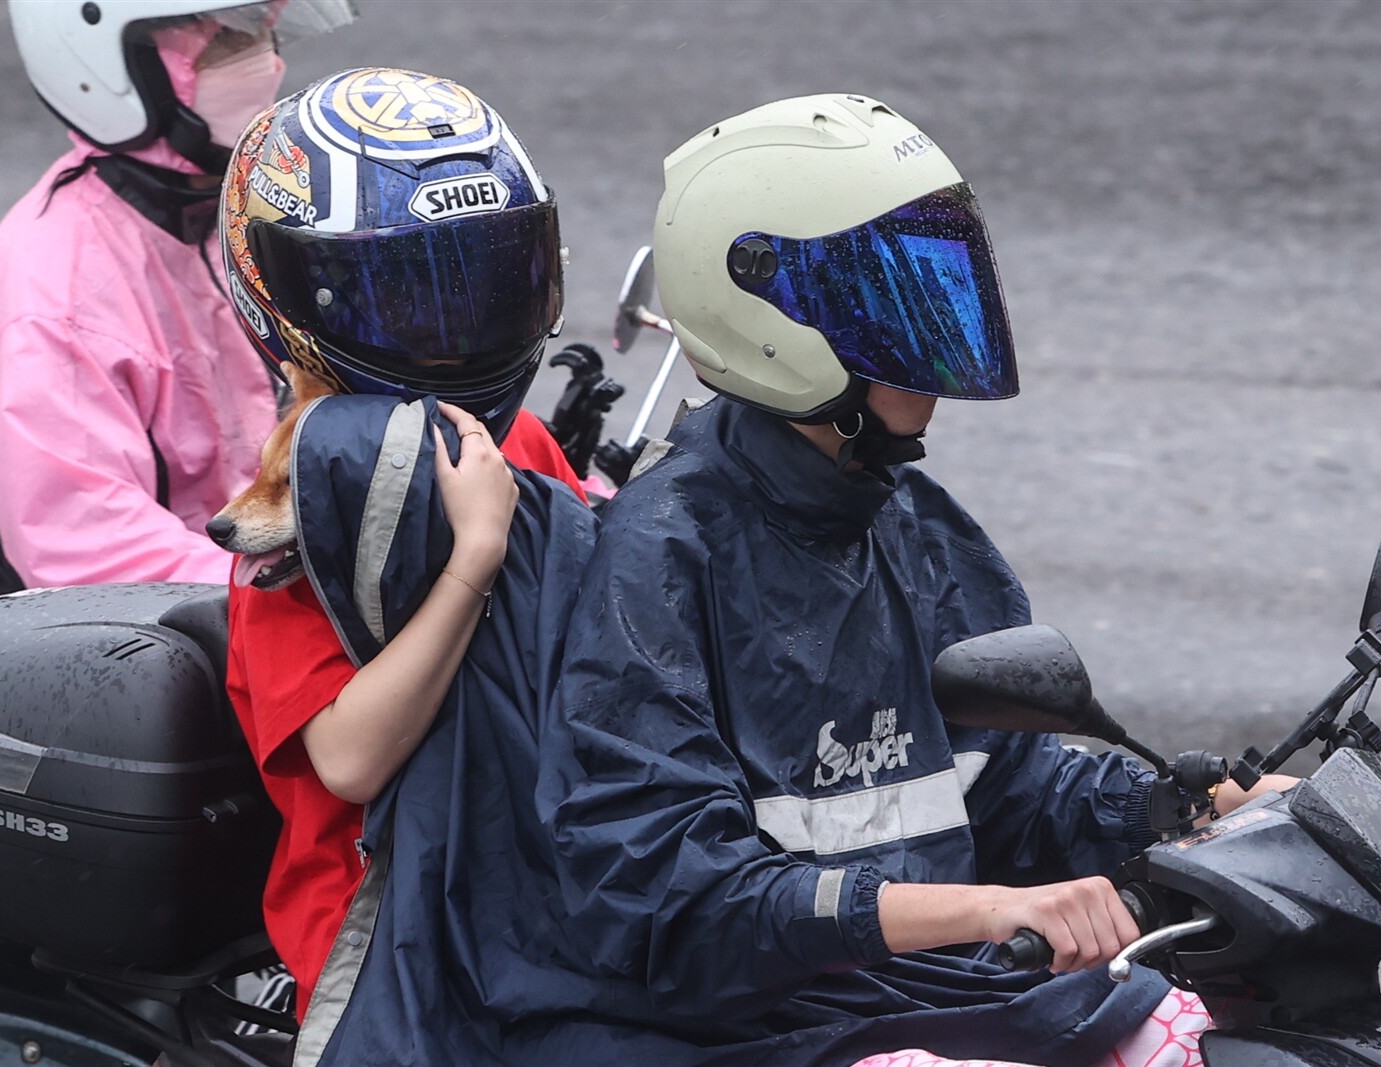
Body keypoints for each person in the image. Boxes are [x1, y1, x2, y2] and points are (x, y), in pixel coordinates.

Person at [525, 95, 1298, 1067]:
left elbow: (1007, 795)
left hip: (932, 995)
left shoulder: (911, 524)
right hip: (763, 1029)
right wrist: (978, 907)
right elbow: (670, 897)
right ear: (767, 317)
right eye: (887, 302)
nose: (932, 324)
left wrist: (1209, 805)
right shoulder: (660, 558)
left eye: (937, 284)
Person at [214, 68, 593, 1024]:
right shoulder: (301, 508)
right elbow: (348, 759)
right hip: (383, 925)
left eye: (477, 285)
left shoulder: (512, 443)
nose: (450, 336)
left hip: (530, 873)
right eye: (404, 302)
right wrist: (475, 560)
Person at [0, 0, 356, 614]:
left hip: (221, 577)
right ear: (114, 69)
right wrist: (325, 591)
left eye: (264, 34)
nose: (267, 64)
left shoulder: (215, 213)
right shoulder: (54, 302)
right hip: (93, 655)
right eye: (228, 41)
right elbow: (97, 560)